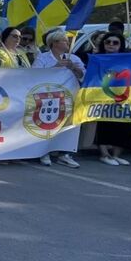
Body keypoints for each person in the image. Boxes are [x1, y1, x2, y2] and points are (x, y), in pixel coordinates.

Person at [31, 30, 84, 168]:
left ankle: (65, 154)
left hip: (69, 97)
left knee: (68, 125)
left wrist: (73, 68)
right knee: (47, 124)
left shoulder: (74, 58)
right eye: (64, 41)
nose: (67, 43)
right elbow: (34, 75)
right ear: (54, 43)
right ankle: (44, 152)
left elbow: (83, 76)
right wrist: (56, 67)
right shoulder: (42, 58)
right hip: (48, 97)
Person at [94, 33, 131, 165]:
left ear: (120, 45)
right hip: (102, 96)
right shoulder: (97, 58)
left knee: (124, 124)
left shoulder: (128, 59)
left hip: (124, 97)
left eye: (115, 42)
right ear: (103, 44)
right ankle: (104, 154)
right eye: (108, 42)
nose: (111, 44)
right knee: (104, 125)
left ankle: (116, 155)